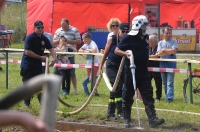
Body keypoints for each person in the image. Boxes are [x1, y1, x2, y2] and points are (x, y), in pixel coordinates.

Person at [114, 15, 165, 128]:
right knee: (128, 95)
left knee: (148, 95)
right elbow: (117, 50)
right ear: (138, 26)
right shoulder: (128, 37)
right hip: (131, 71)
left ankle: (153, 119)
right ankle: (126, 119)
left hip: (143, 71)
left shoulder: (146, 37)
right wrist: (126, 54)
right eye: (144, 26)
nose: (145, 28)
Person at [20, 20, 57, 107]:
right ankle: (27, 103)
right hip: (28, 66)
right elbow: (27, 52)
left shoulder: (43, 38)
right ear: (34, 28)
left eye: (42, 27)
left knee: (40, 85)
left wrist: (55, 58)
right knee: (28, 85)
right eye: (38, 28)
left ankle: (42, 104)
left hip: (37, 66)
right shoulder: (30, 37)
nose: (40, 29)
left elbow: (51, 48)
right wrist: (41, 57)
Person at [99, 23, 130, 120]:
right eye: (123, 31)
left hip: (122, 66)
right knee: (118, 86)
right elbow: (106, 53)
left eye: (126, 31)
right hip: (111, 66)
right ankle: (120, 112)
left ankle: (110, 113)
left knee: (114, 89)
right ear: (119, 31)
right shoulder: (112, 39)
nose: (124, 33)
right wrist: (100, 66)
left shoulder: (128, 40)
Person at [53, 18, 81, 94]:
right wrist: (59, 40)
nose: (63, 28)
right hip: (60, 57)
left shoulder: (74, 30)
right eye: (62, 26)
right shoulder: (58, 31)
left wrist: (68, 41)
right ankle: (56, 89)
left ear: (68, 24)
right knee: (57, 73)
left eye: (65, 26)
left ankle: (75, 90)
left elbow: (79, 41)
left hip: (70, 55)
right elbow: (53, 42)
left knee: (72, 73)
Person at [156, 27, 178, 103]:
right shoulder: (160, 43)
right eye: (167, 33)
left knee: (170, 82)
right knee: (165, 83)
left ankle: (169, 98)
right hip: (162, 64)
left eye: (169, 33)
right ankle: (166, 96)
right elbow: (159, 54)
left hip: (171, 65)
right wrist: (169, 51)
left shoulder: (174, 41)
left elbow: (174, 51)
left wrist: (164, 50)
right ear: (163, 34)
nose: (168, 34)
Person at [149, 34, 162, 102]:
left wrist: (147, 56)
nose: (148, 42)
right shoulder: (148, 48)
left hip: (157, 68)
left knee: (158, 84)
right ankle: (150, 96)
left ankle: (158, 97)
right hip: (149, 68)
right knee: (148, 83)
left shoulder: (158, 47)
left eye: (149, 41)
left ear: (154, 42)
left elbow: (157, 56)